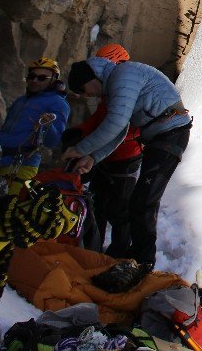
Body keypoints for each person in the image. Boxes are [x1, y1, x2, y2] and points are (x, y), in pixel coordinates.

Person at [61, 54, 192, 267]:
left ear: (90, 78)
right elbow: (121, 131)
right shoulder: (117, 80)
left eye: (84, 90)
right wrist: (93, 157)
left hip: (170, 134)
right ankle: (137, 259)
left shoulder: (123, 75)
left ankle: (143, 262)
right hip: (163, 136)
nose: (87, 95)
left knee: (143, 202)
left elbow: (115, 122)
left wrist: (80, 149)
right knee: (140, 202)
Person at [62, 43, 144, 257]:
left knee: (119, 209)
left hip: (125, 156)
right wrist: (80, 131)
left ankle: (119, 251)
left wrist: (87, 141)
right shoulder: (111, 91)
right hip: (105, 156)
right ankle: (93, 249)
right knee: (98, 204)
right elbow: (100, 118)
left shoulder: (127, 90)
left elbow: (122, 125)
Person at [0, 57, 70, 195]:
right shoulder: (21, 100)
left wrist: (47, 125)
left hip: (21, 164)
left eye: (42, 78)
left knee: (8, 207)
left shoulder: (58, 103)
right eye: (32, 76)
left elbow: (53, 141)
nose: (34, 80)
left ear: (53, 80)